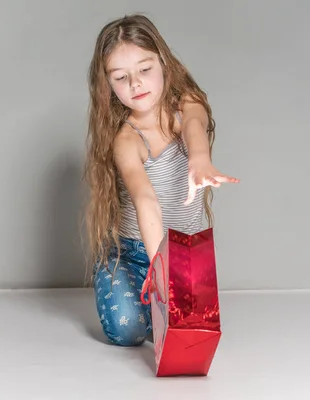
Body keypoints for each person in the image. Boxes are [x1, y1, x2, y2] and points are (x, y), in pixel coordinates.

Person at [83, 14, 238, 346]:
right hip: (136, 253)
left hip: (183, 249)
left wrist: (199, 161)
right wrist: (157, 268)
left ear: (164, 63)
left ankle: (161, 303)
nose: (136, 84)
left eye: (144, 69)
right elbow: (145, 200)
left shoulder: (188, 104)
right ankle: (110, 275)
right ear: (108, 85)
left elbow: (195, 125)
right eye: (121, 77)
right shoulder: (127, 140)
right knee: (127, 330)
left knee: (190, 332)